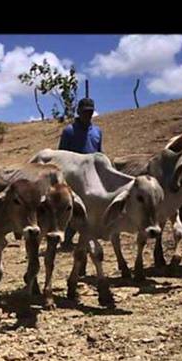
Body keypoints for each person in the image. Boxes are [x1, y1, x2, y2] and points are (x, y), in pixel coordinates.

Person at [58, 97, 102, 249]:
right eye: (85, 112)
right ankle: (67, 238)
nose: (87, 115)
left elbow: (99, 154)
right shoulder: (69, 131)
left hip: (92, 175)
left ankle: (87, 234)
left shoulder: (97, 132)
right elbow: (61, 155)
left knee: (90, 205)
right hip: (74, 176)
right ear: (78, 112)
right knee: (73, 205)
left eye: (90, 112)